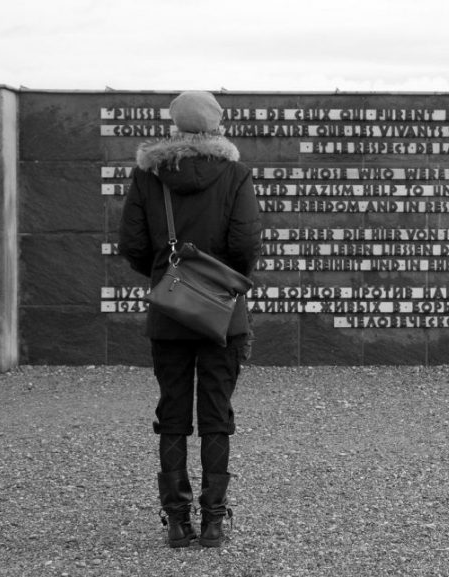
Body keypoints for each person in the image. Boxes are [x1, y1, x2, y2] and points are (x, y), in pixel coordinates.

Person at [118, 91, 262, 548]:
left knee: (173, 413)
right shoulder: (236, 174)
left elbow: (133, 245)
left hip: (170, 311)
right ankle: (215, 520)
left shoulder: (149, 176)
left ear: (175, 125)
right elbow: (245, 243)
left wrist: (168, 279)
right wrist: (219, 281)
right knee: (216, 413)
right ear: (217, 125)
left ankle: (178, 521)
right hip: (223, 315)